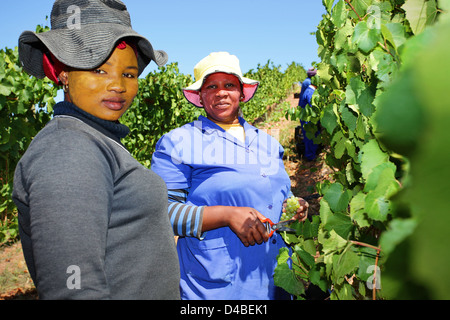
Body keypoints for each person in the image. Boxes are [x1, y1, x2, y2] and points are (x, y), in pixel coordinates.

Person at [12, 0, 180, 300]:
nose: (117, 85)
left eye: (128, 74)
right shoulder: (68, 149)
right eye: (98, 70)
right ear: (63, 74)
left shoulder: (94, 140)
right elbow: (73, 289)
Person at [151, 52, 309, 300]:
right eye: (211, 86)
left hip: (276, 279)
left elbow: (279, 194)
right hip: (217, 287)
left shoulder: (267, 142)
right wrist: (226, 215)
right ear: (200, 97)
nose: (221, 92)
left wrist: (296, 206)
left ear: (241, 93)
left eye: (229, 85)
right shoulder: (178, 143)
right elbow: (161, 212)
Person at [298, 68, 320, 161]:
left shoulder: (307, 85)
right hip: (307, 116)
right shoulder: (310, 89)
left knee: (310, 135)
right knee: (310, 136)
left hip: (305, 115)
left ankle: (311, 153)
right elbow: (313, 105)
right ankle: (310, 156)